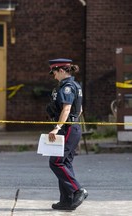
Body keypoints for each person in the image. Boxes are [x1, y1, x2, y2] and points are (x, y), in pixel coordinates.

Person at [46, 58, 88, 211]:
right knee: (65, 162)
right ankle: (66, 200)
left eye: (54, 72)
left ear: (62, 71)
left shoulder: (67, 87)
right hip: (73, 126)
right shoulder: (76, 85)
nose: (54, 76)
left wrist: (57, 127)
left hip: (68, 128)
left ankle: (78, 190)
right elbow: (80, 109)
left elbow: (66, 109)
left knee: (56, 162)